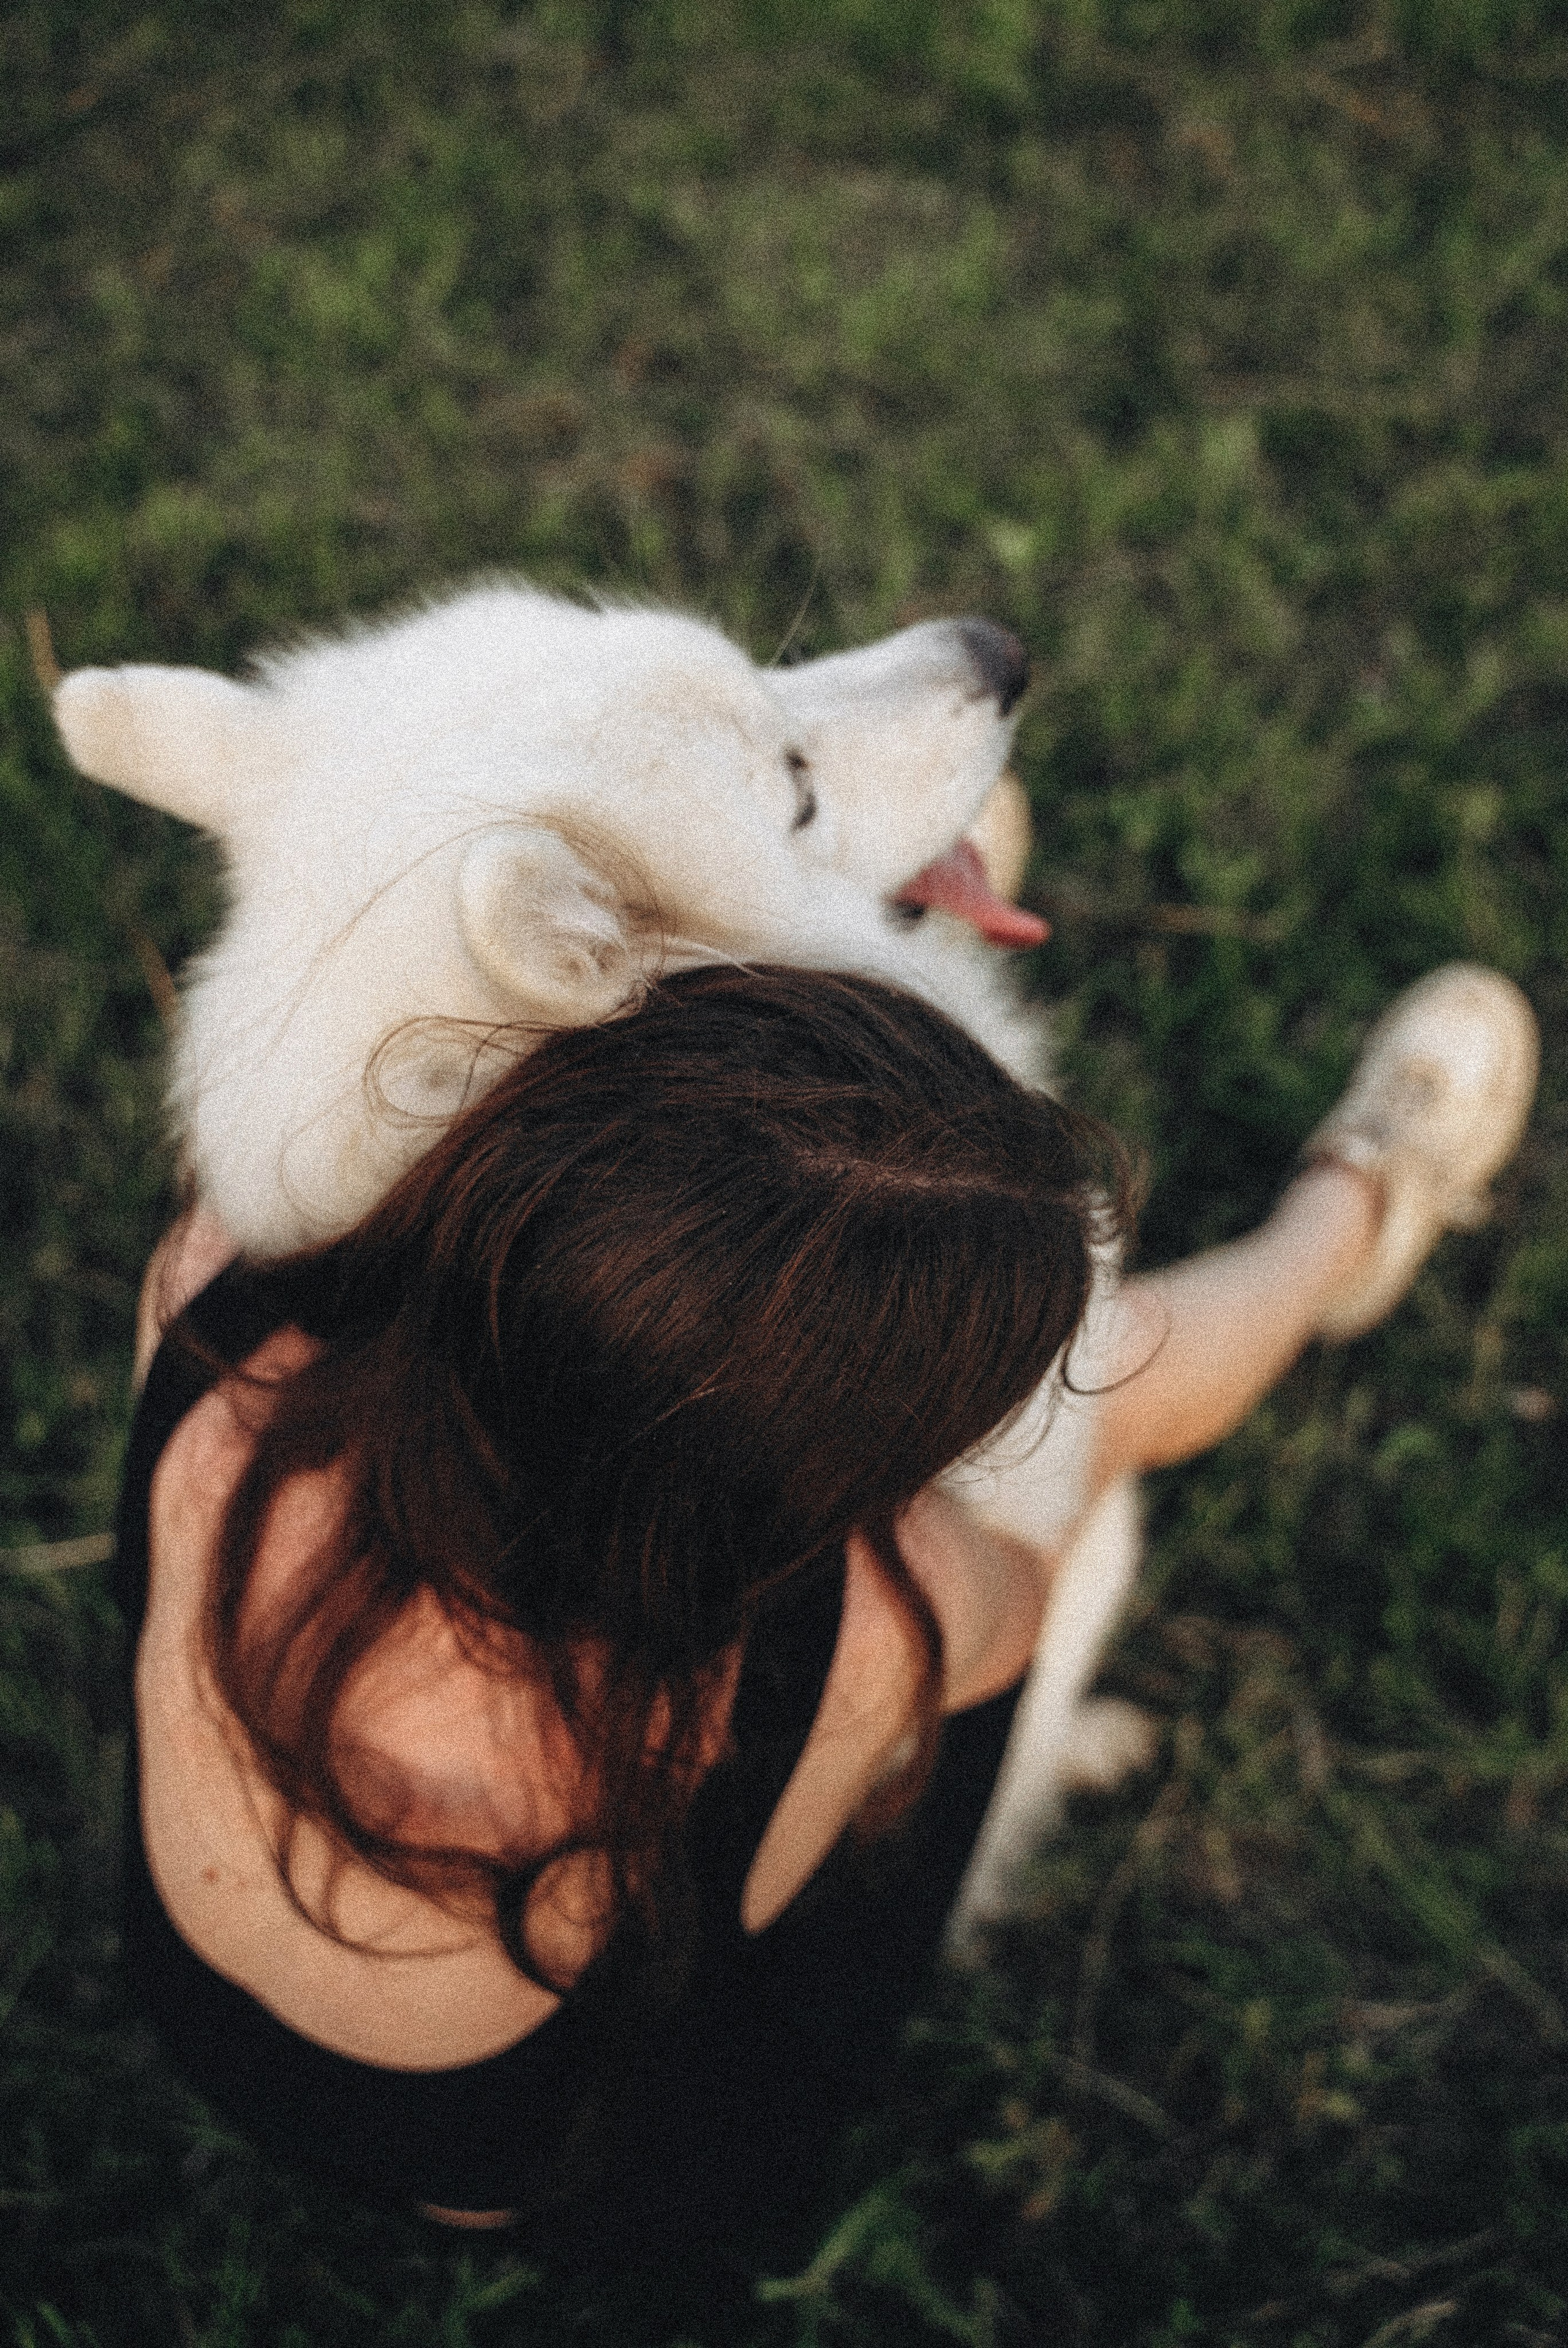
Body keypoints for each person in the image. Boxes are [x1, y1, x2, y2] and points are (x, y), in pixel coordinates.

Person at [119, 959, 1536, 2258]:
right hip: (519, 2155)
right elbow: (1018, 1600)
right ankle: (1350, 1210)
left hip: (184, 2005)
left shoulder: (224, 1298)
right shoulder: (850, 1636)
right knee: (1105, 1423)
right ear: (825, 1487)